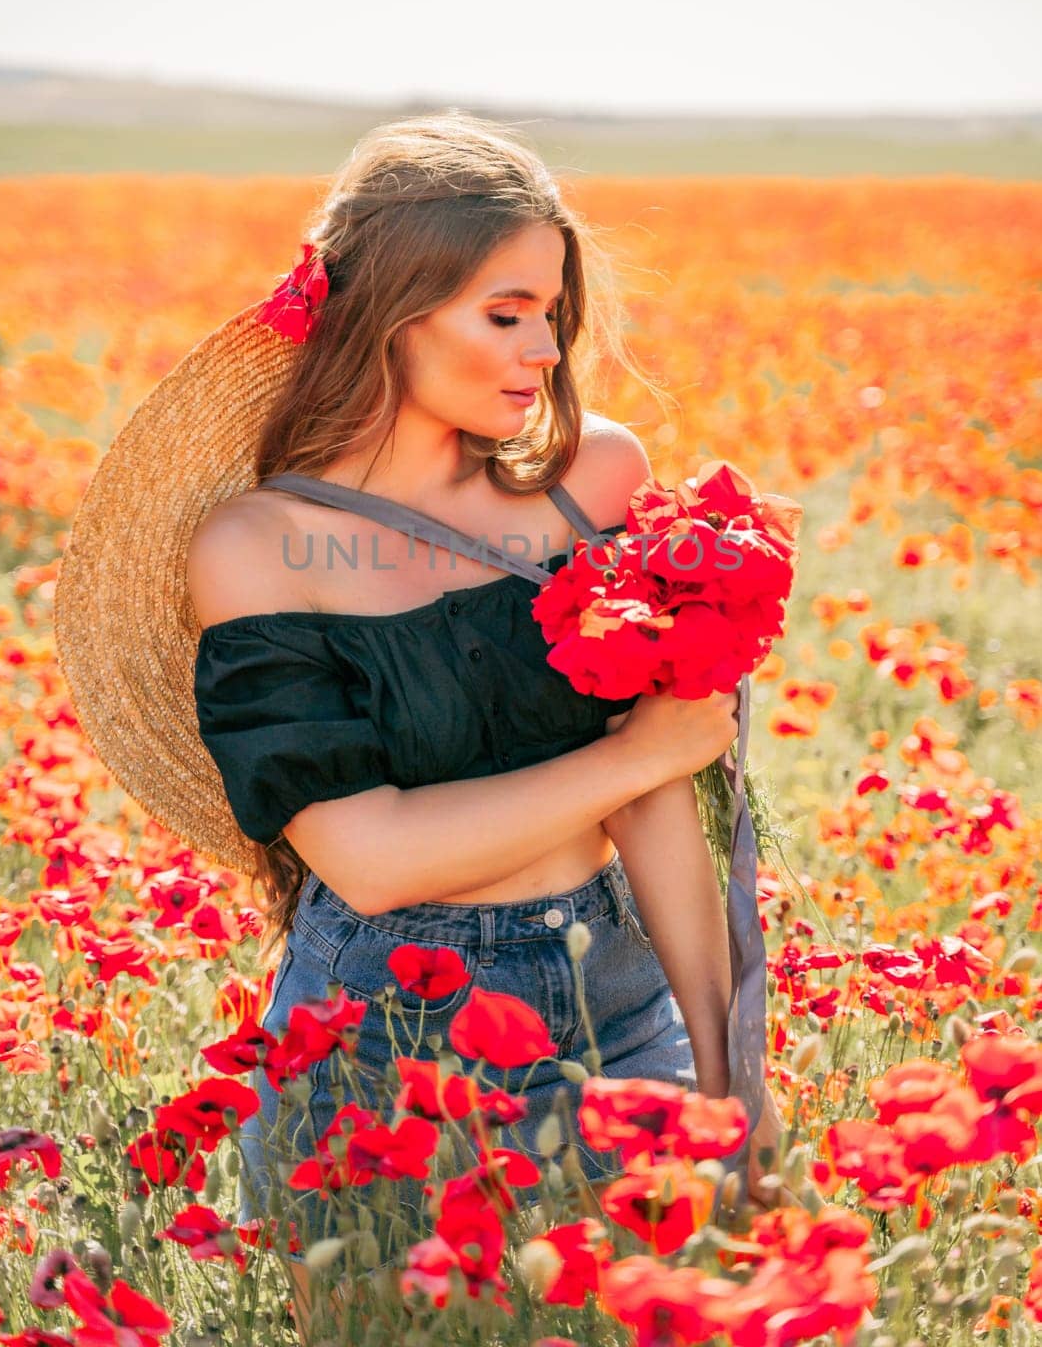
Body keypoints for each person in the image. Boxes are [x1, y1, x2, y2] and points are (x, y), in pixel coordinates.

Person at [53, 111, 791, 1344]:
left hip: (619, 997)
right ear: (394, 309)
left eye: (551, 314)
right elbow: (372, 856)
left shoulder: (590, 479)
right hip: (381, 1036)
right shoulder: (258, 549)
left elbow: (661, 803)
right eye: (505, 314)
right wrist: (637, 751)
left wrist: (727, 1071)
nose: (542, 353)